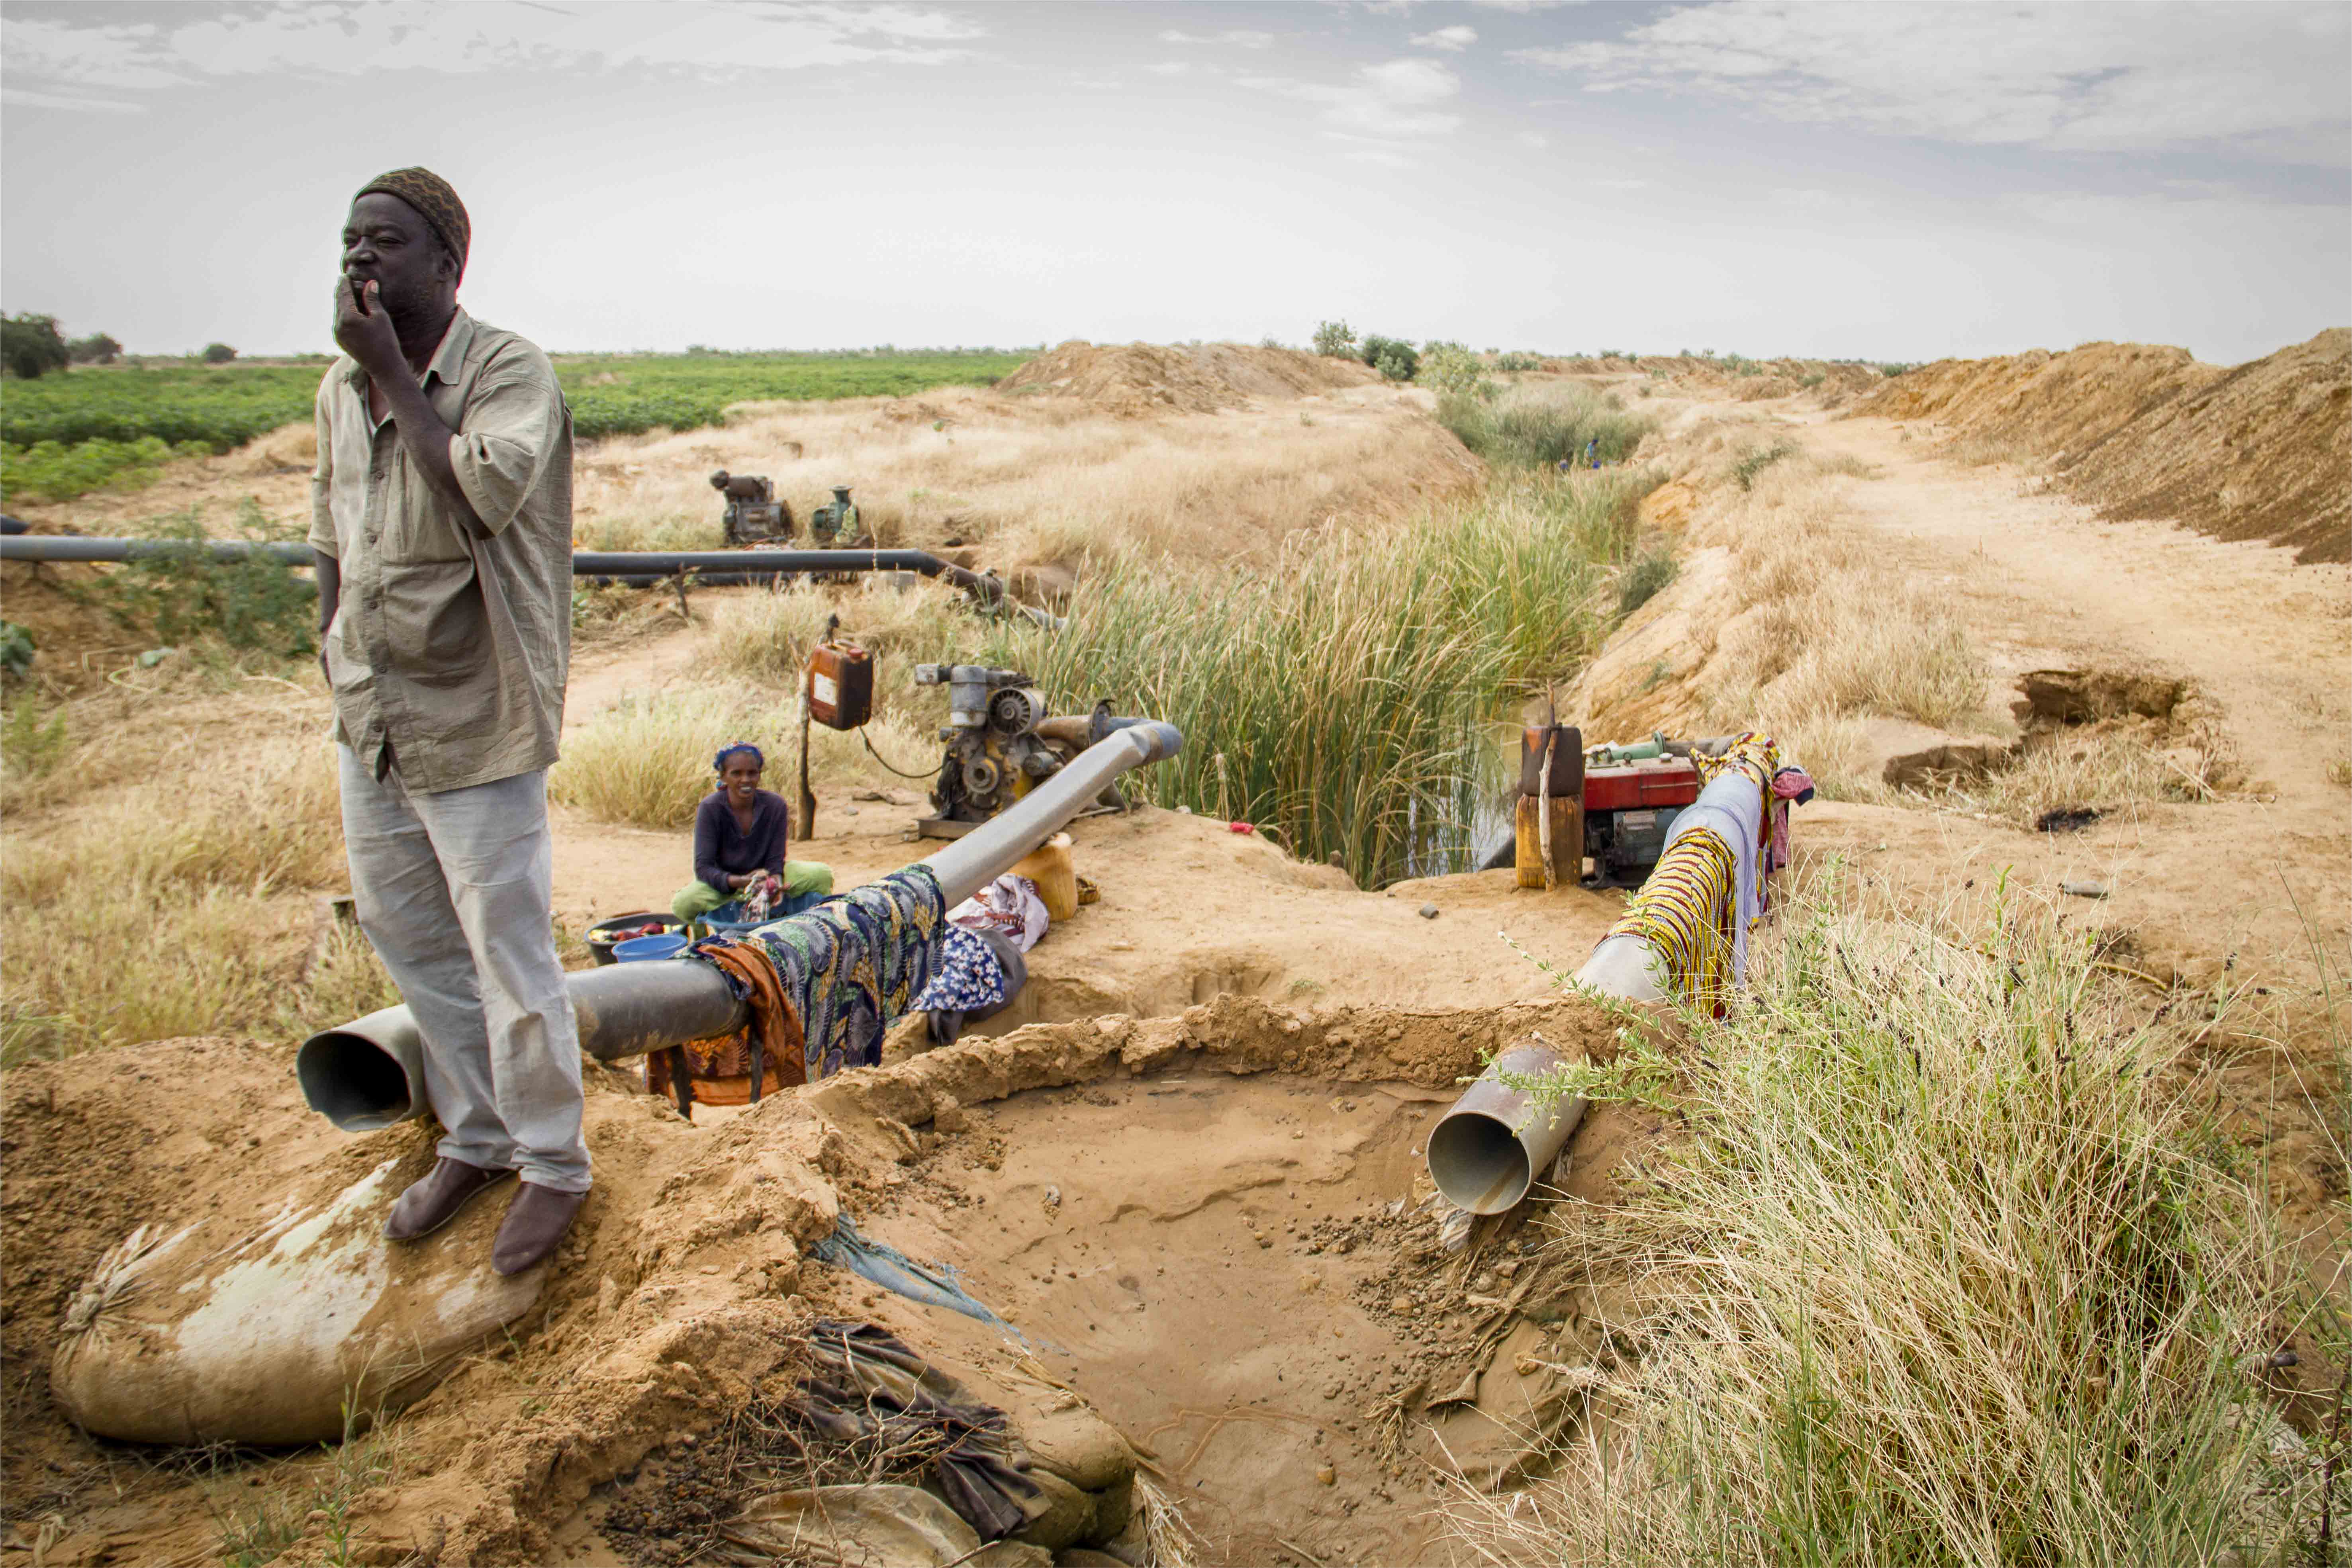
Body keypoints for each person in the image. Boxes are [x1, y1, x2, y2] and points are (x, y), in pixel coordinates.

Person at [310, 167, 585, 1277]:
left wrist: (392, 373)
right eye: (348, 242)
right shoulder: (338, 391)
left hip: (475, 707)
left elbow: (478, 490)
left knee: (507, 947)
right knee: (411, 934)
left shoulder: (506, 371)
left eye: (383, 242)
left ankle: (555, 1164)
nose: (358, 261)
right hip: (373, 711)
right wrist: (328, 643)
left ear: (446, 265)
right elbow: (331, 523)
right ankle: (476, 1139)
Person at [672, 743, 834, 922]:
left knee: (822, 874)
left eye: (752, 773)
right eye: (736, 773)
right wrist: (740, 882)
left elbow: (775, 859)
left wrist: (774, 884)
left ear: (759, 774)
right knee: (682, 904)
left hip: (764, 877)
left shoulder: (775, 805)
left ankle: (815, 925)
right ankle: (703, 937)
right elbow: (703, 868)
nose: (746, 780)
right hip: (726, 885)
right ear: (724, 776)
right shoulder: (710, 808)